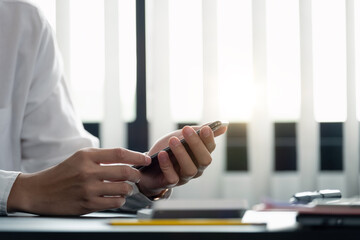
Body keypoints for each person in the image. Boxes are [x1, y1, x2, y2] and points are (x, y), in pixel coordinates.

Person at [0, 0, 227, 216]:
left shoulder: (22, 21)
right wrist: (21, 190)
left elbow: (62, 175)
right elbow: (42, 188)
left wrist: (140, 180)